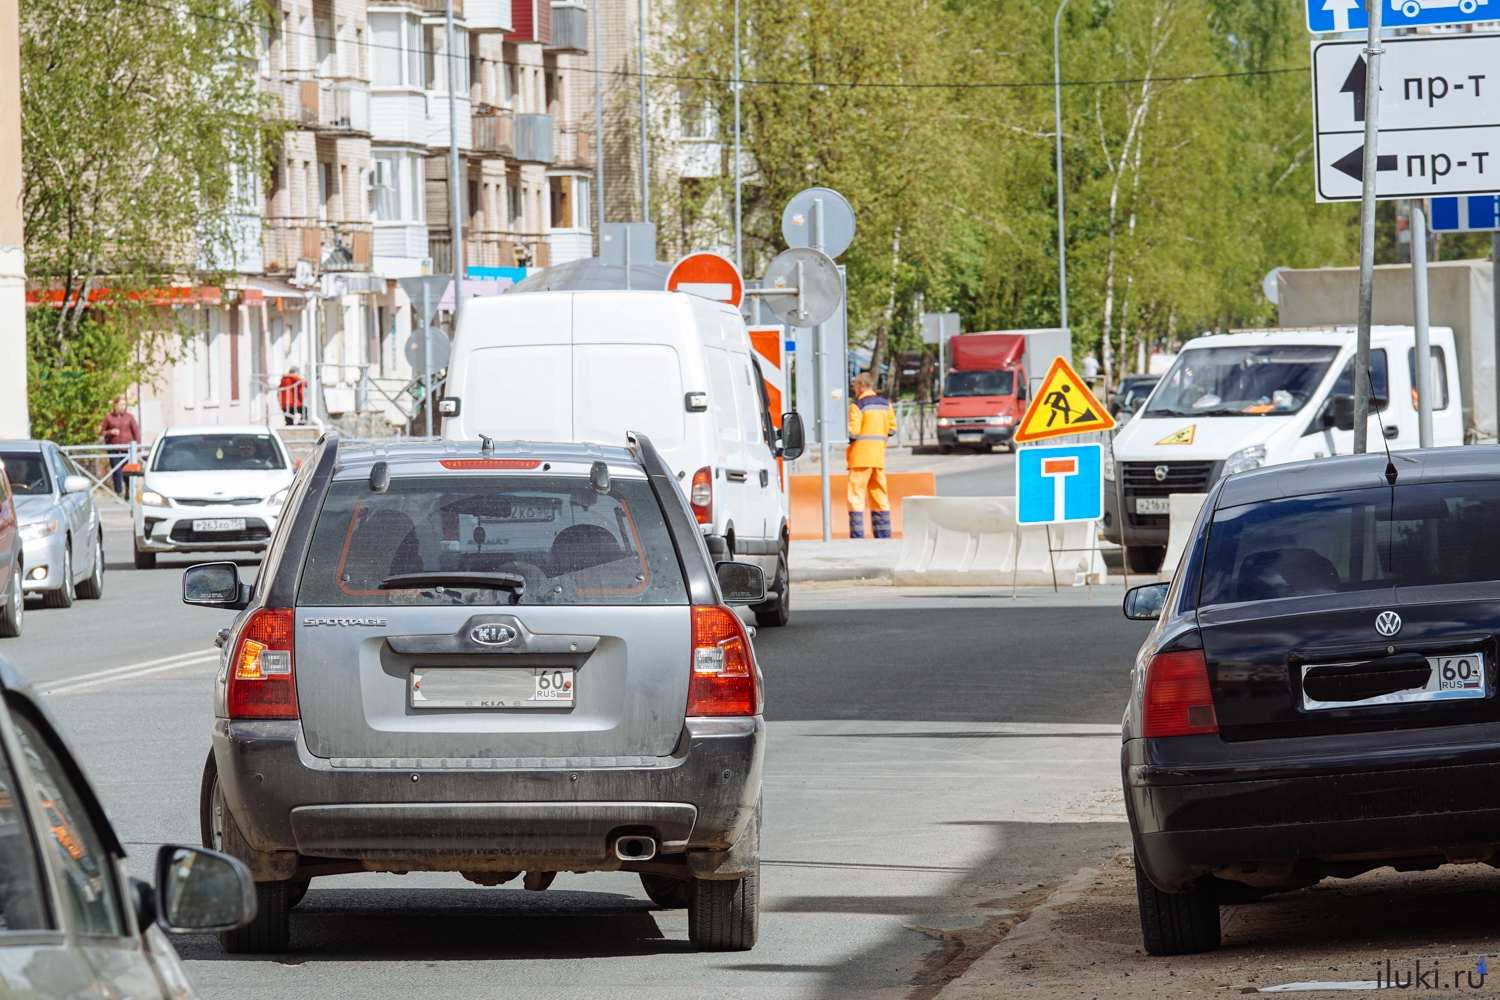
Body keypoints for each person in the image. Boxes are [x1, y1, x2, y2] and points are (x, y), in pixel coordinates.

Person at [846, 372, 897, 539]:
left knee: (856, 498)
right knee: (880, 497)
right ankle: (883, 534)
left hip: (860, 458)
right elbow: (892, 429)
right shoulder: (886, 404)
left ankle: (857, 535)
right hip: (878, 458)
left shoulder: (857, 406)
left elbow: (853, 432)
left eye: (854, 385)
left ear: (862, 385)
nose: (853, 388)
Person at [99, 396, 140, 496]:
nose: (123, 407)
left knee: (127, 471)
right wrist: (110, 432)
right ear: (115, 405)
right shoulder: (109, 418)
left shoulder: (129, 417)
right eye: (121, 405)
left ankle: (128, 490)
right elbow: (102, 432)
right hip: (114, 448)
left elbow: (136, 433)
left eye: (124, 405)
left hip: (127, 449)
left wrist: (138, 448)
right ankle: (118, 492)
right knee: (116, 471)